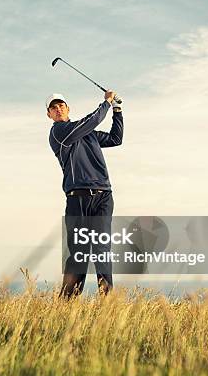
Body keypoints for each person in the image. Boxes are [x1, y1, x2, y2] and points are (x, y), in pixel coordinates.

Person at [46, 90, 123, 298]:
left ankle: (107, 304)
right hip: (77, 198)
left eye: (61, 105)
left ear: (68, 109)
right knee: (79, 254)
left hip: (103, 196)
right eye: (53, 107)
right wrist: (106, 102)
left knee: (102, 249)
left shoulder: (89, 134)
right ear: (49, 115)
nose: (58, 109)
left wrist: (117, 110)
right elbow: (90, 121)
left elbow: (116, 139)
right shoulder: (59, 133)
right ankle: (67, 305)